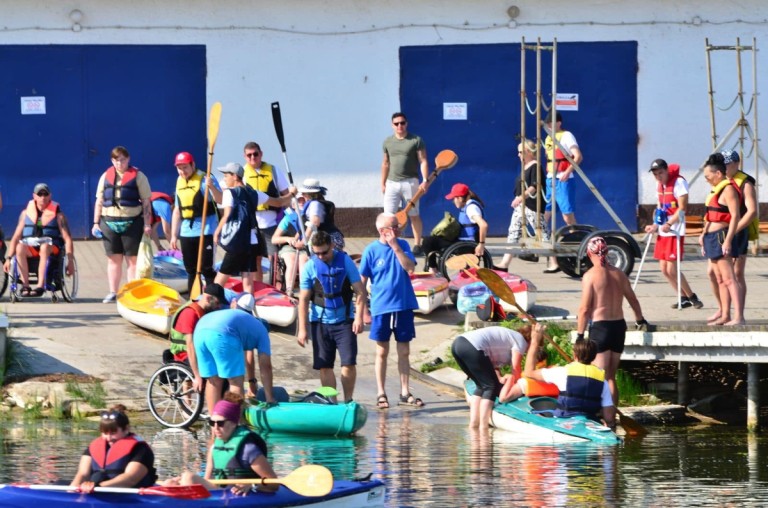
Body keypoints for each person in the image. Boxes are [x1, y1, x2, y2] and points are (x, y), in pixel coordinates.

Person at [359, 213, 425, 409]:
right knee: (382, 351)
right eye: (394, 227)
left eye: (398, 226)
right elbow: (361, 283)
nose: (398, 229)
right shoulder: (371, 250)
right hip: (382, 307)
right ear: (382, 231)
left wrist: (396, 247)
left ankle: (405, 392)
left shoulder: (403, 245)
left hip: (403, 306)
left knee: (404, 351)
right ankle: (381, 392)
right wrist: (362, 311)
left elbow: (410, 268)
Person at [297, 231, 367, 403]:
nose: (321, 256)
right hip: (320, 322)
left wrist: (358, 317)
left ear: (332, 246)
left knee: (348, 364)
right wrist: (302, 329)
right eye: (317, 253)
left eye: (324, 252)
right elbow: (303, 299)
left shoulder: (345, 261)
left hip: (344, 321)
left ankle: (348, 400)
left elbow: (360, 291)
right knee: (325, 366)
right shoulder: (310, 266)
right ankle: (332, 402)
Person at [576, 236, 646, 405]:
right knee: (610, 377)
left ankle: (601, 413)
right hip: (618, 327)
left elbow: (584, 309)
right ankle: (612, 413)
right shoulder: (619, 273)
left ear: (589, 253)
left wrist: (580, 335)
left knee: (598, 376)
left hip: (600, 328)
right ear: (607, 252)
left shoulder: (590, 276)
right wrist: (639, 320)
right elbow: (633, 299)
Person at [165, 392, 277, 496]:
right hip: (218, 493)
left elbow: (273, 483)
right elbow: (208, 481)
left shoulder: (248, 449)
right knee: (170, 483)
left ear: (233, 423)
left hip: (238, 495)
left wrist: (252, 485)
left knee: (188, 477)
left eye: (220, 423)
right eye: (212, 422)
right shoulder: (214, 447)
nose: (215, 428)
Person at [213, 162, 294, 294]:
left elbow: (226, 215)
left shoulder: (229, 193)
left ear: (235, 176)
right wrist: (291, 194)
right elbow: (278, 202)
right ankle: (249, 304)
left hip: (237, 241)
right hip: (252, 241)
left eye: (226, 175)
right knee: (248, 281)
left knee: (221, 276)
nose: (224, 179)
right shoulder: (254, 193)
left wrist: (217, 232)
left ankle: (210, 299)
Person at [517, 324, 616, 428]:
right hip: (590, 422)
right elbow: (609, 417)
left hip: (563, 421)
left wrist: (534, 342)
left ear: (574, 355)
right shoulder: (602, 380)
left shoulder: (562, 372)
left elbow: (528, 372)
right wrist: (609, 422)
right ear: (594, 356)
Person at [193, 293, 276, 413]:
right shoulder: (262, 331)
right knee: (235, 382)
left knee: (213, 381)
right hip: (222, 332)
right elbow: (266, 366)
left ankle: (214, 420)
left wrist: (252, 382)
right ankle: (234, 421)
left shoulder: (245, 324)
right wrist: (270, 398)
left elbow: (249, 359)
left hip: (200, 330)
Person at [92, 146, 153, 303]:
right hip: (109, 222)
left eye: (123, 160)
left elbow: (146, 202)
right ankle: (113, 292)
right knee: (113, 259)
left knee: (132, 260)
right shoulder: (105, 176)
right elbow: (99, 201)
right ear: (112, 161)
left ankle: (132, 292)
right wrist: (95, 223)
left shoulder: (139, 176)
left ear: (128, 159)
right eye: (116, 160)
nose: (120, 163)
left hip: (132, 222)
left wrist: (147, 224)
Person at [644, 159, 703, 309]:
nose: (658, 177)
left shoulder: (679, 182)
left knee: (672, 269)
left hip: (674, 230)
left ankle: (692, 296)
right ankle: (682, 297)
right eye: (655, 174)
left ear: (667, 171)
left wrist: (669, 224)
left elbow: (682, 208)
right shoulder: (659, 185)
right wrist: (655, 225)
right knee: (664, 269)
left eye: (661, 173)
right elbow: (660, 207)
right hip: (663, 229)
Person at [706, 150, 757, 323]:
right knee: (713, 273)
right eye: (723, 164)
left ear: (737, 163)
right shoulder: (721, 183)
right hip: (720, 232)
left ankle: (738, 315)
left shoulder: (745, 184)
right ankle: (723, 309)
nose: (725, 167)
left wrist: (732, 231)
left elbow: (751, 212)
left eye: (728, 164)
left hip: (738, 231)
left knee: (736, 273)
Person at [451, 326, 531, 429]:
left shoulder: (509, 339)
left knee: (481, 386)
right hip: (472, 346)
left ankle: (473, 425)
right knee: (491, 387)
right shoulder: (521, 340)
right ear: (530, 341)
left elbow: (491, 367)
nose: (528, 351)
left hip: (458, 344)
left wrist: (500, 379)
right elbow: (516, 367)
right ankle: (483, 427)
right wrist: (516, 387)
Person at [3, 183, 75, 297]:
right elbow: (16, 237)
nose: (43, 197)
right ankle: (25, 286)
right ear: (34, 196)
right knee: (20, 247)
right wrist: (8, 258)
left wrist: (70, 261)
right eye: (39, 194)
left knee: (44, 247)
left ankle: (40, 286)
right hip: (31, 247)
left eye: (45, 194)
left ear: (50, 196)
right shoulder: (25, 214)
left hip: (51, 248)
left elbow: (67, 238)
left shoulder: (59, 216)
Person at [70, 404, 157, 492]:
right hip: (97, 490)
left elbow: (130, 479)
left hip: (131, 494)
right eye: (105, 433)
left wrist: (98, 487)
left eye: (113, 433)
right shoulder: (94, 447)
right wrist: (72, 491)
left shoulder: (141, 450)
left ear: (126, 429)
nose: (108, 438)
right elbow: (83, 474)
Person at [170, 151, 223, 294]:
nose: (182, 171)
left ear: (192, 165)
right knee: (191, 270)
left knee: (207, 269)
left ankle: (212, 298)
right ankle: (193, 299)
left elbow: (220, 200)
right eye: (179, 168)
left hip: (206, 231)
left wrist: (212, 187)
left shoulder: (206, 179)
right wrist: (174, 236)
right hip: (186, 233)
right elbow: (177, 211)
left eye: (185, 167)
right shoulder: (179, 181)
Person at [700, 154, 743, 326]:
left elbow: (735, 216)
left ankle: (739, 316)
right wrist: (703, 234)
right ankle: (725, 315)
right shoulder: (715, 190)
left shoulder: (728, 189)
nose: (706, 180)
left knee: (729, 278)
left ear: (718, 173)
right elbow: (710, 216)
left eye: (708, 176)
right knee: (719, 279)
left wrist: (728, 240)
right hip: (711, 237)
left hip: (721, 236)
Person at [242, 142, 291, 283]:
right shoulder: (242, 174)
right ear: (245, 157)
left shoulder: (273, 171)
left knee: (274, 259)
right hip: (252, 225)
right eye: (249, 155)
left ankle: (278, 286)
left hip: (272, 224)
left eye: (255, 154)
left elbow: (286, 195)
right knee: (256, 259)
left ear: (261, 154)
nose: (253, 157)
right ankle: (258, 287)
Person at [498, 139, 550, 270]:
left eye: (521, 152)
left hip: (532, 206)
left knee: (542, 234)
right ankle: (504, 263)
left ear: (528, 152)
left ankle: (554, 262)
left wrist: (521, 198)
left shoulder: (535, 166)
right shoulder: (525, 167)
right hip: (521, 206)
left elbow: (534, 186)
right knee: (513, 232)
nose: (519, 155)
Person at [381, 112, 429, 255]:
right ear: (392, 125)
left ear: (406, 124)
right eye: (396, 124)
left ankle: (417, 245)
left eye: (402, 123)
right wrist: (382, 183)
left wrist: (425, 180)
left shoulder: (416, 140)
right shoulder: (387, 142)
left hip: (410, 182)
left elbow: (423, 161)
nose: (399, 126)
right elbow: (385, 163)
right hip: (391, 183)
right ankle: (388, 244)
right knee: (389, 216)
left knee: (414, 215)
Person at [543, 112, 583, 273]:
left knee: (567, 216)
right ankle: (551, 257)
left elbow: (578, 156)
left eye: (551, 123)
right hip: (550, 179)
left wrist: (568, 172)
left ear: (559, 123)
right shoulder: (548, 138)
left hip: (563, 179)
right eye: (547, 124)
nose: (549, 126)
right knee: (545, 216)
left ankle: (578, 243)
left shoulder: (567, 136)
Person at [168, 283, 226, 392]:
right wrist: (197, 375)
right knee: (213, 373)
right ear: (208, 298)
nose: (219, 307)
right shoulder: (190, 313)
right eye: (217, 303)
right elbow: (190, 347)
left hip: (199, 351)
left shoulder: (205, 312)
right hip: (184, 353)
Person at [421, 183, 488, 274]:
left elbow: (483, 225)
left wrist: (481, 245)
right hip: (462, 242)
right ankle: (433, 268)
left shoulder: (471, 208)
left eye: (454, 198)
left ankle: (433, 270)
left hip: (466, 245)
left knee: (428, 242)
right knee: (430, 240)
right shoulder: (468, 206)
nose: (453, 201)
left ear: (460, 198)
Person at [271, 194, 309, 291]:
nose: (301, 203)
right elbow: (274, 239)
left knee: (303, 262)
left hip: (305, 247)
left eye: (303, 201)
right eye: (299, 201)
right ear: (293, 205)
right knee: (291, 262)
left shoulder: (310, 218)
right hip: (289, 247)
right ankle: (289, 290)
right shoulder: (287, 219)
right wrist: (288, 239)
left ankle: (304, 290)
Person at [298, 178, 346, 250]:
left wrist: (304, 241)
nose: (302, 194)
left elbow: (314, 223)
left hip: (328, 240)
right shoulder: (312, 204)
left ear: (309, 194)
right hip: (322, 238)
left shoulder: (315, 204)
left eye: (304, 193)